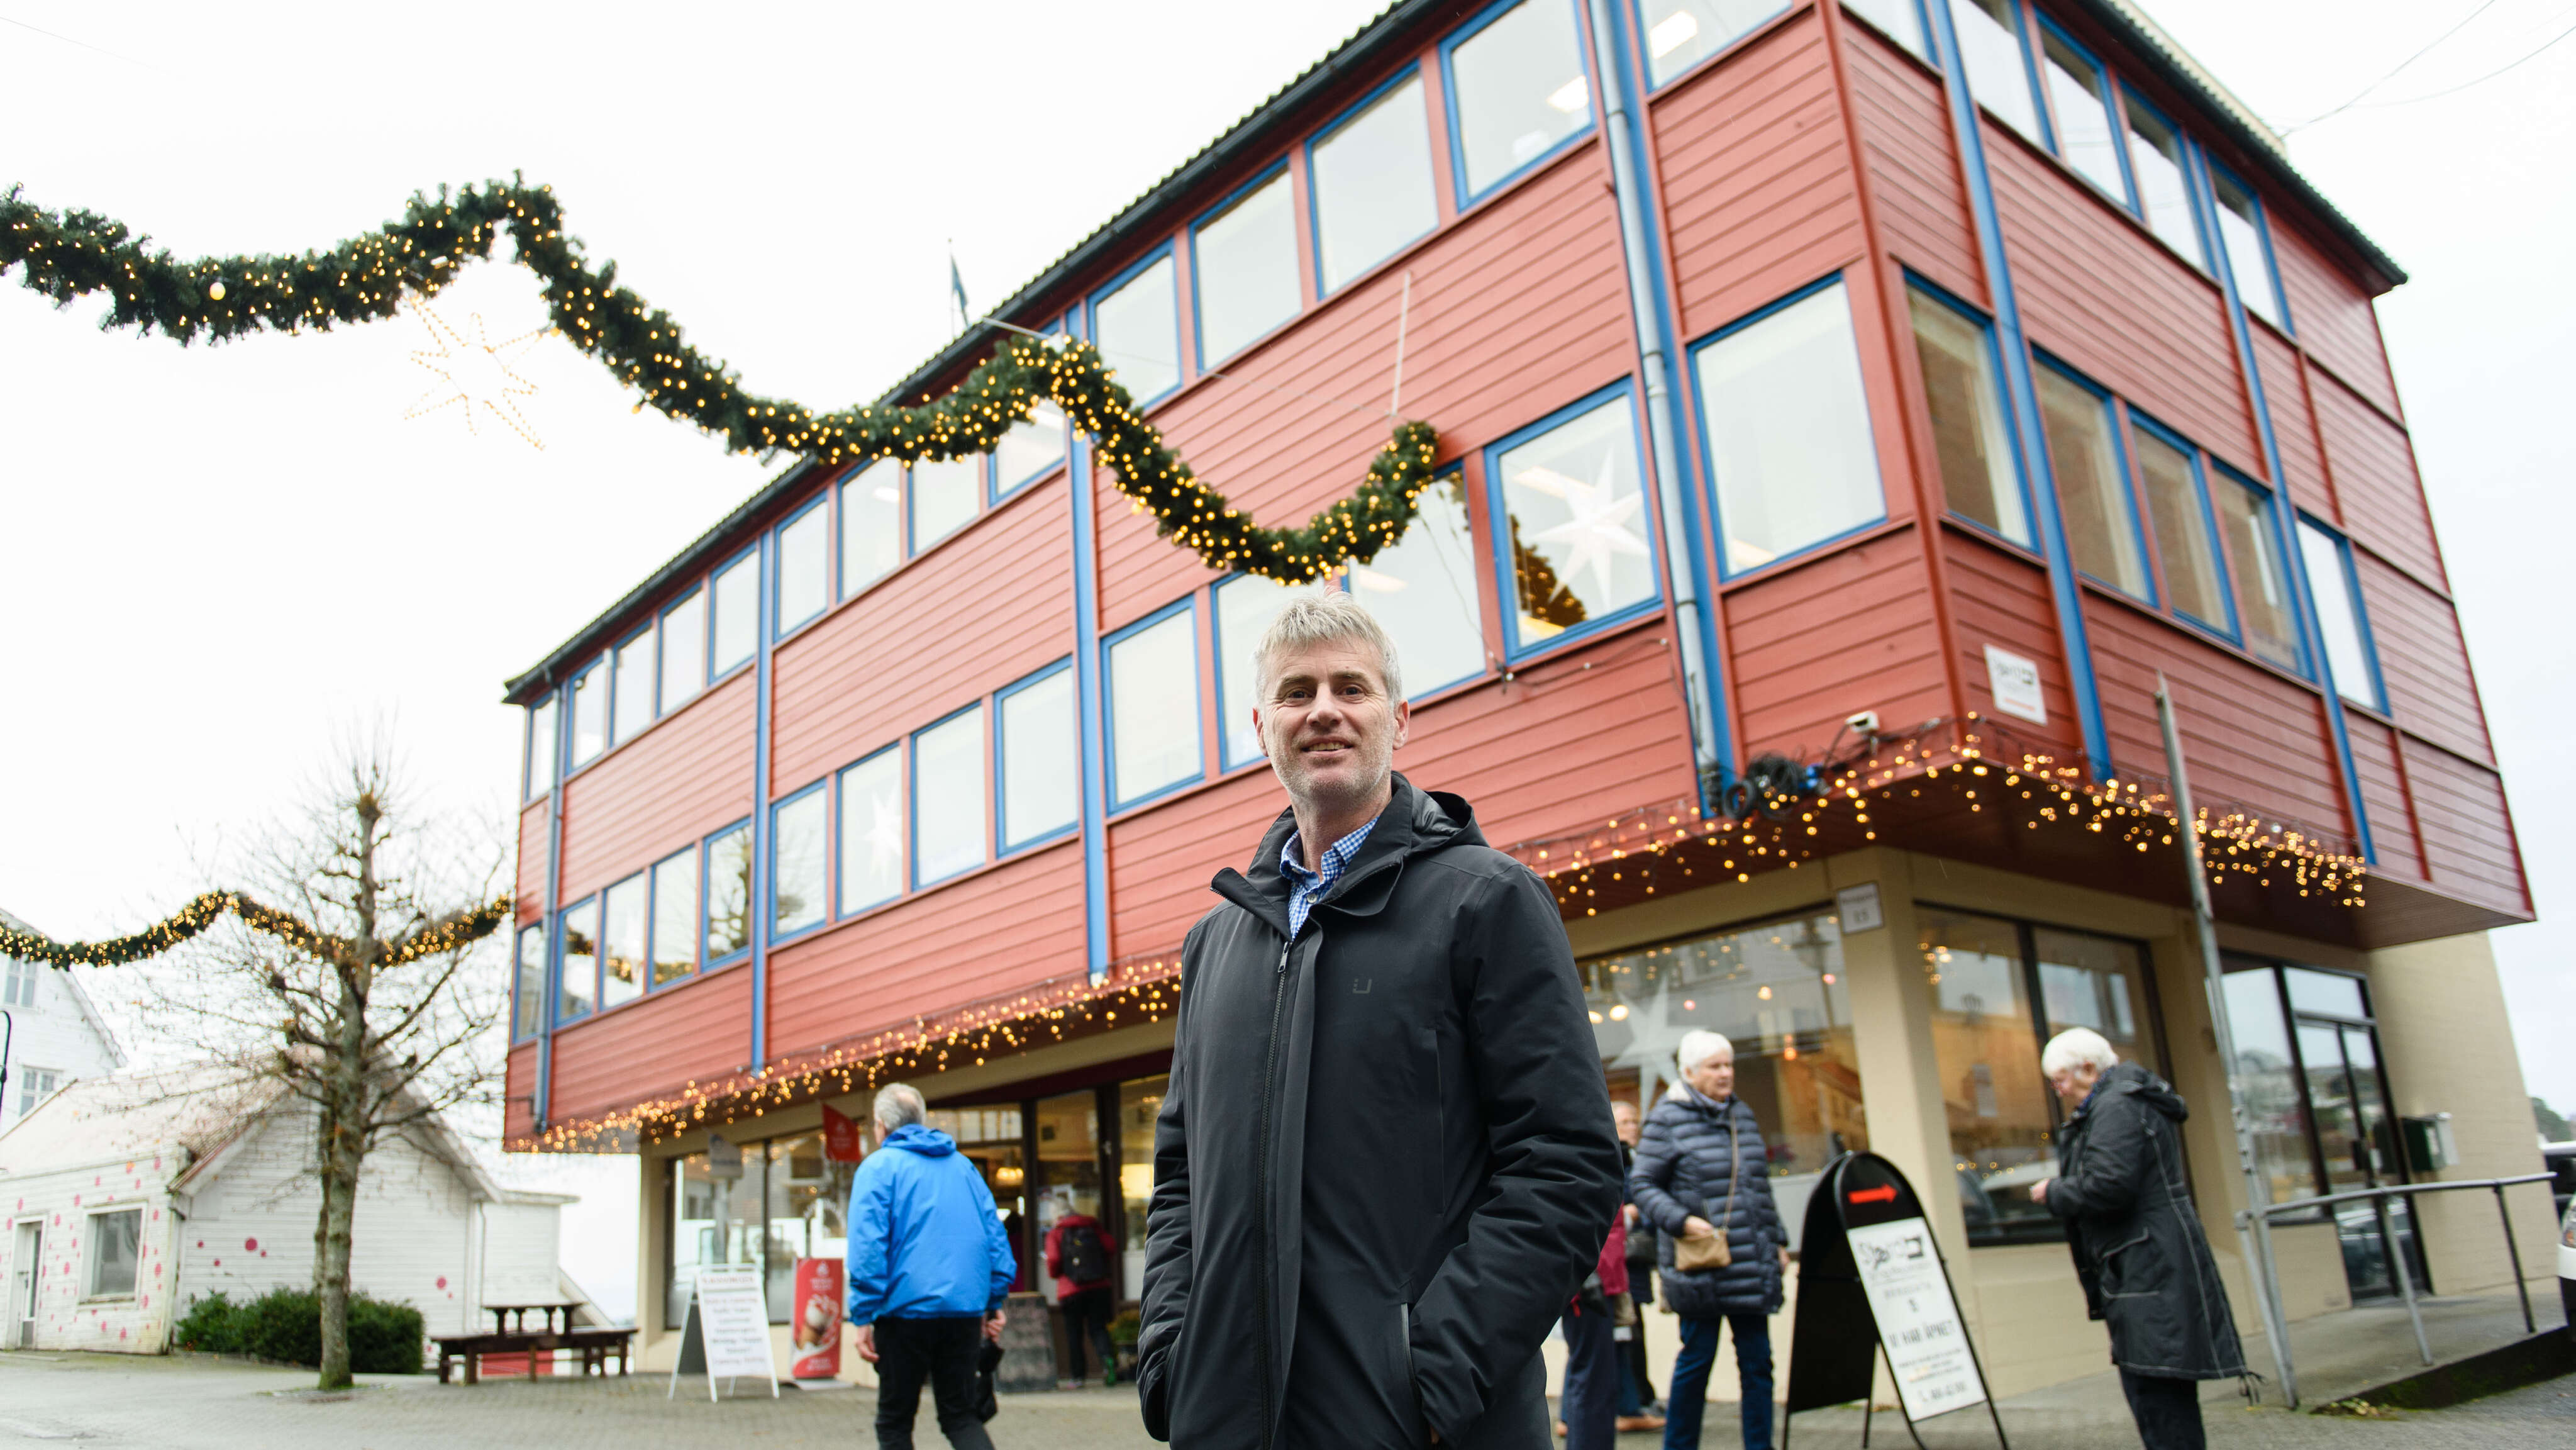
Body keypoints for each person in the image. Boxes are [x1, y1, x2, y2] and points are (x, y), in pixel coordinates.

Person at [1136, 591, 1624, 1449]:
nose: (1323, 709)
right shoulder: (1216, 942)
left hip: (1419, 1422)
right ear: (1262, 727)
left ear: (1399, 718)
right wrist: (1171, 1353)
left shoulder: (1489, 901)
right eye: (1296, 692)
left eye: (1351, 688)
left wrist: (1431, 1376)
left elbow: (1567, 1163)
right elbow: (1179, 1175)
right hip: (1225, 1421)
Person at [2028, 1028, 2245, 1450]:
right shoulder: (2124, 1101)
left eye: (2060, 1080)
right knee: (2161, 1396)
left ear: (2088, 1068)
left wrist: (2053, 1191)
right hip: (2148, 1265)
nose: (2060, 1091)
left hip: (2147, 1270)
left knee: (2159, 1400)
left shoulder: (2116, 1107)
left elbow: (2110, 1186)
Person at [1629, 1032, 1786, 1450]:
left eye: (1728, 1064)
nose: (1725, 1073)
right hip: (1701, 1265)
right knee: (1697, 1362)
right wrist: (1681, 1221)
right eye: (1715, 1066)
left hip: (1750, 1261)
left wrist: (1778, 1240)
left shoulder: (1742, 1115)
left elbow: (1758, 1186)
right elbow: (1642, 1185)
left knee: (1758, 1365)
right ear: (1689, 1072)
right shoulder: (1666, 1119)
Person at [846, 1083, 1019, 1450]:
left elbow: (867, 1249)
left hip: (902, 1315)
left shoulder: (877, 1169)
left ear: (881, 1126)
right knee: (961, 1417)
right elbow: (994, 1239)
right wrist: (993, 1303)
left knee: (894, 1422)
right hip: (962, 1314)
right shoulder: (964, 1168)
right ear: (921, 1120)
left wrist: (863, 1316)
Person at [1611, 1098, 1667, 1434]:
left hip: (1634, 1260)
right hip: (1616, 1263)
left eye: (1635, 1121)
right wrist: (1629, 1213)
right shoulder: (1612, 1159)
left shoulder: (1636, 1159)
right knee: (1625, 1333)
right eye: (1625, 1122)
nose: (1632, 1128)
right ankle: (1633, 1403)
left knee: (1633, 1330)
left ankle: (1640, 1399)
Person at [1557, 1200, 1629, 1450]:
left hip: (1598, 1274)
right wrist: (1585, 1275)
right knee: (1593, 1383)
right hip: (1591, 1278)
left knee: (1596, 1380)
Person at [1044, 1193, 1120, 1388]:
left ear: (1056, 1215)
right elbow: (1111, 1246)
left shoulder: (1056, 1233)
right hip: (1099, 1286)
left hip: (1070, 1289)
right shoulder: (1091, 1225)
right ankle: (1107, 1361)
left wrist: (1056, 1273)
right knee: (1098, 1327)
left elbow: (1053, 1260)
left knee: (1074, 1333)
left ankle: (1078, 1377)